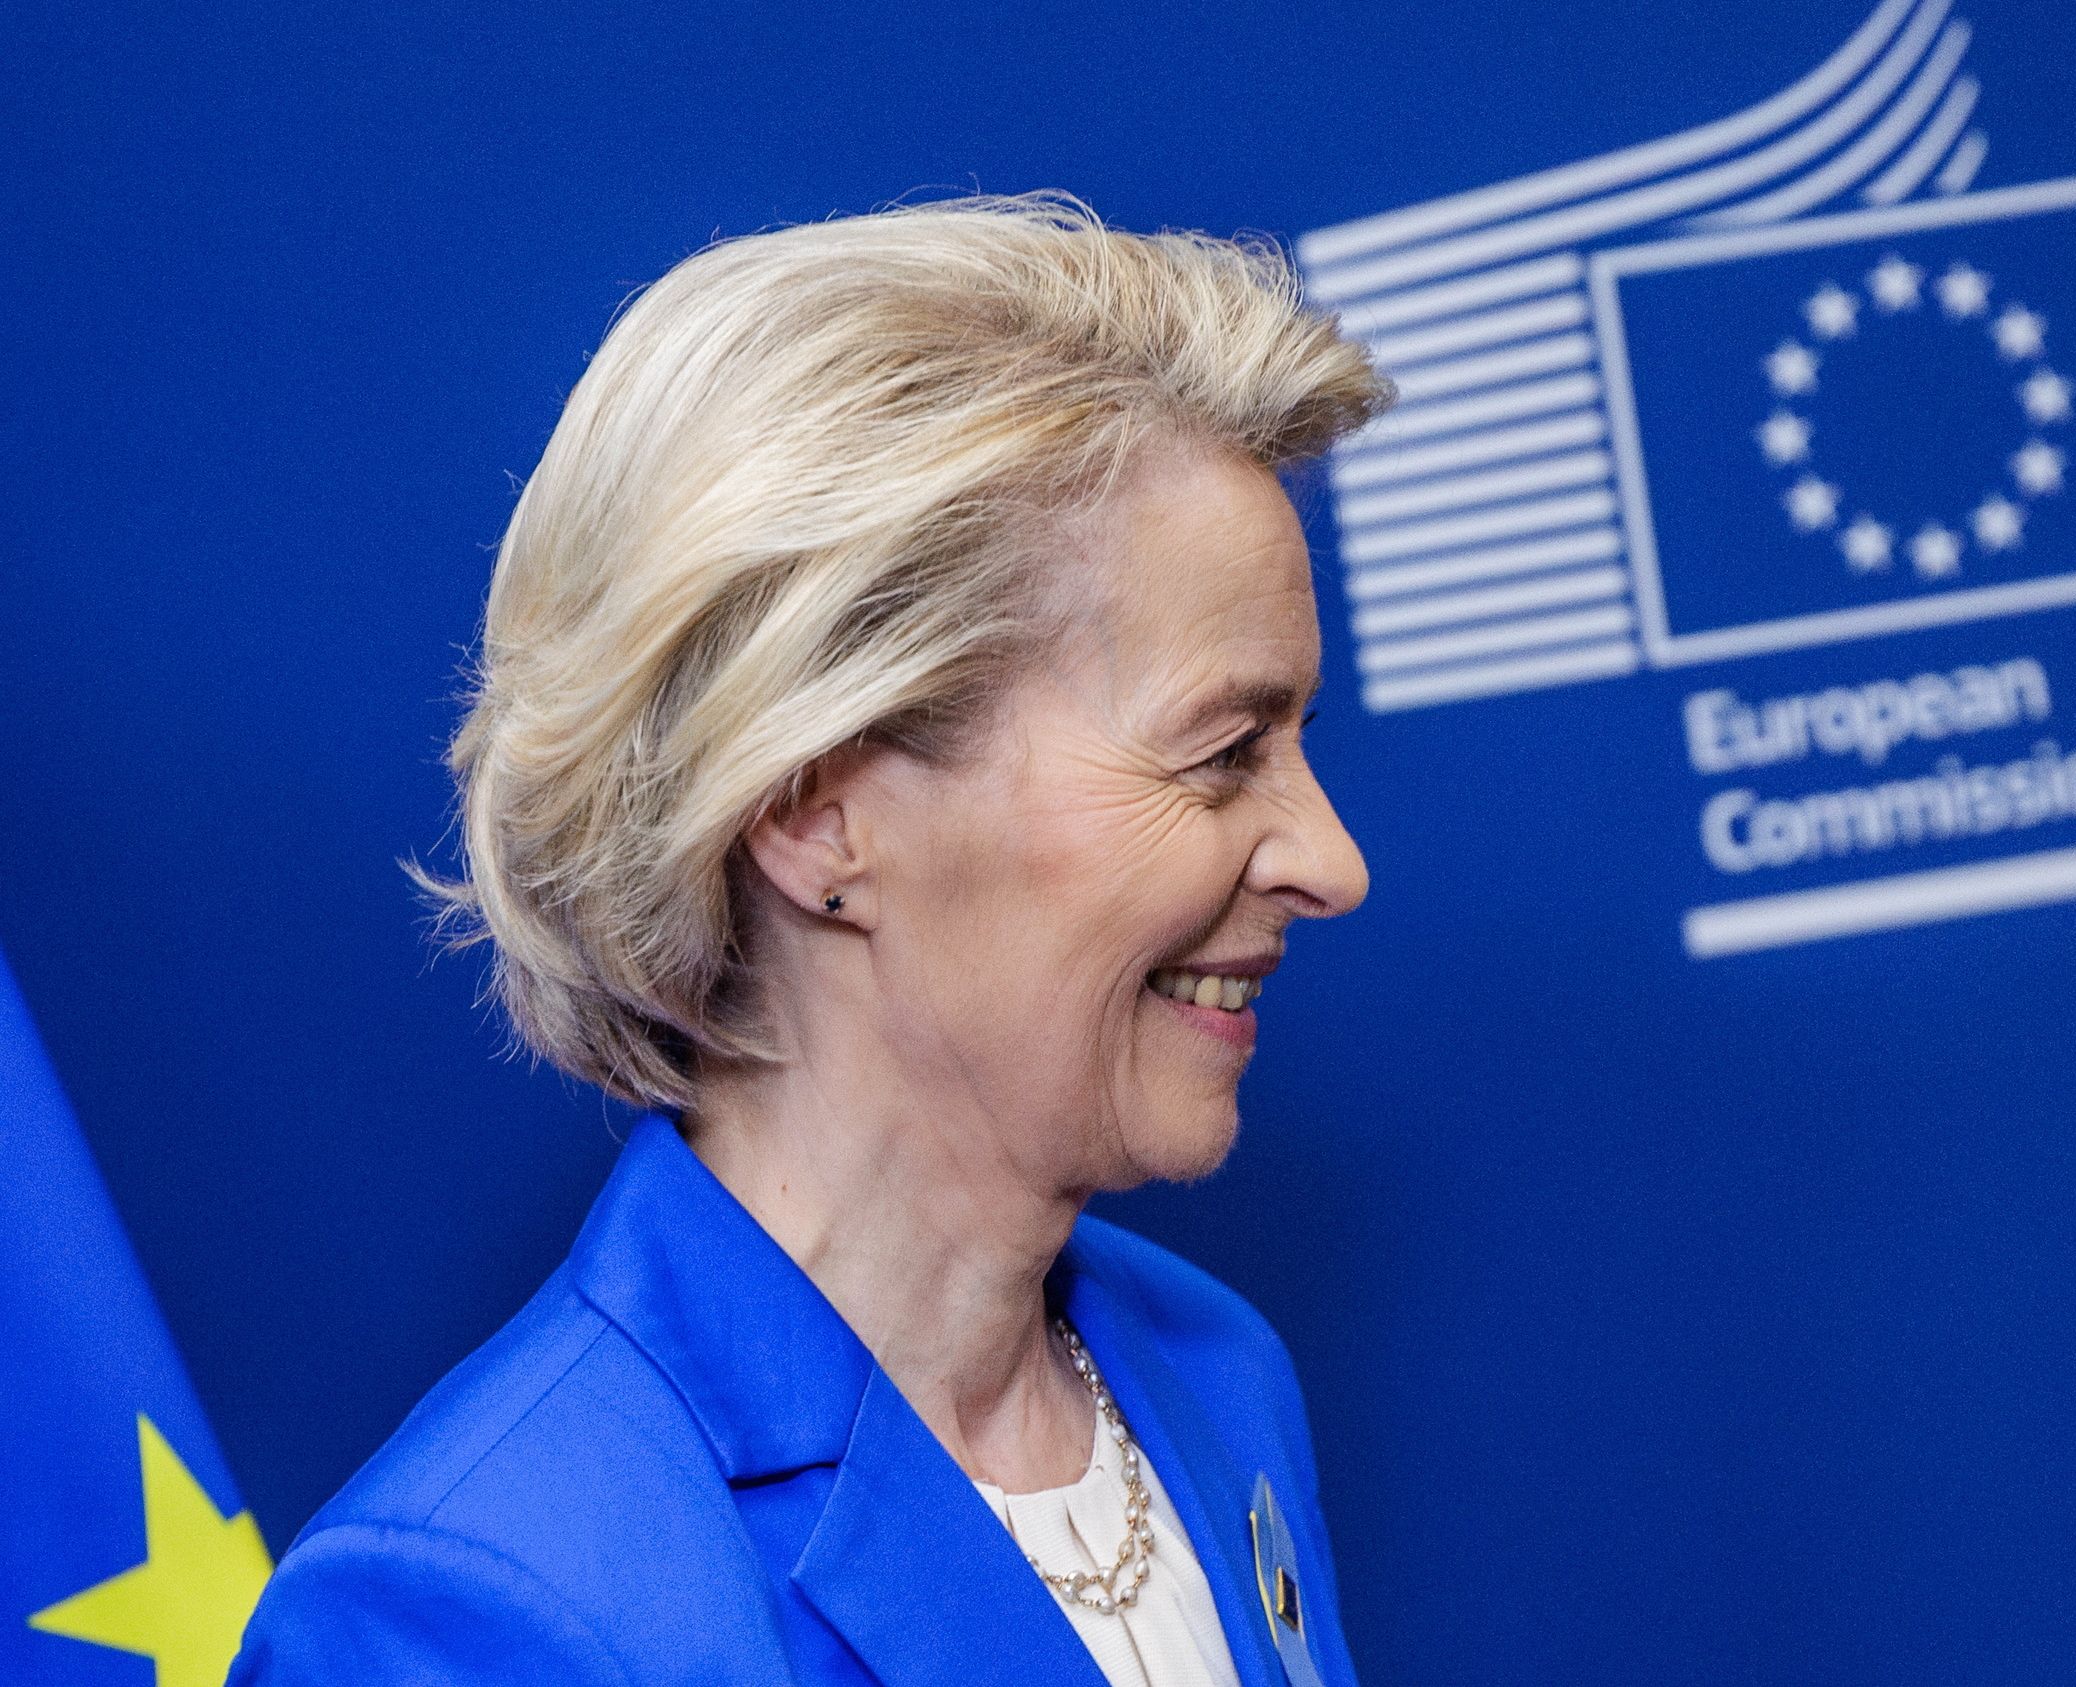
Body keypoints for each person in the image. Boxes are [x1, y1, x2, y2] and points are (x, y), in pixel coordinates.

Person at [230, 195, 1390, 1687]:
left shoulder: (1214, 1371)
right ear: (815, 815)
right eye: (1223, 753)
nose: (1332, 862)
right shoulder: (479, 1607)